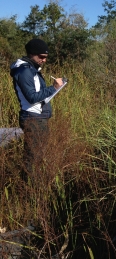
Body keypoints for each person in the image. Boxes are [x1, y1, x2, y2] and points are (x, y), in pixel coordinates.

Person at [10, 38, 64, 176]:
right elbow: (32, 97)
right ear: (32, 54)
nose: (44, 60)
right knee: (32, 159)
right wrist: (53, 88)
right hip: (32, 119)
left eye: (46, 57)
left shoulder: (31, 69)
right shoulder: (24, 71)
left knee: (37, 157)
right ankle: (29, 190)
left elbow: (38, 96)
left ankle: (33, 189)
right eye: (41, 57)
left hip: (37, 117)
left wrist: (55, 89)